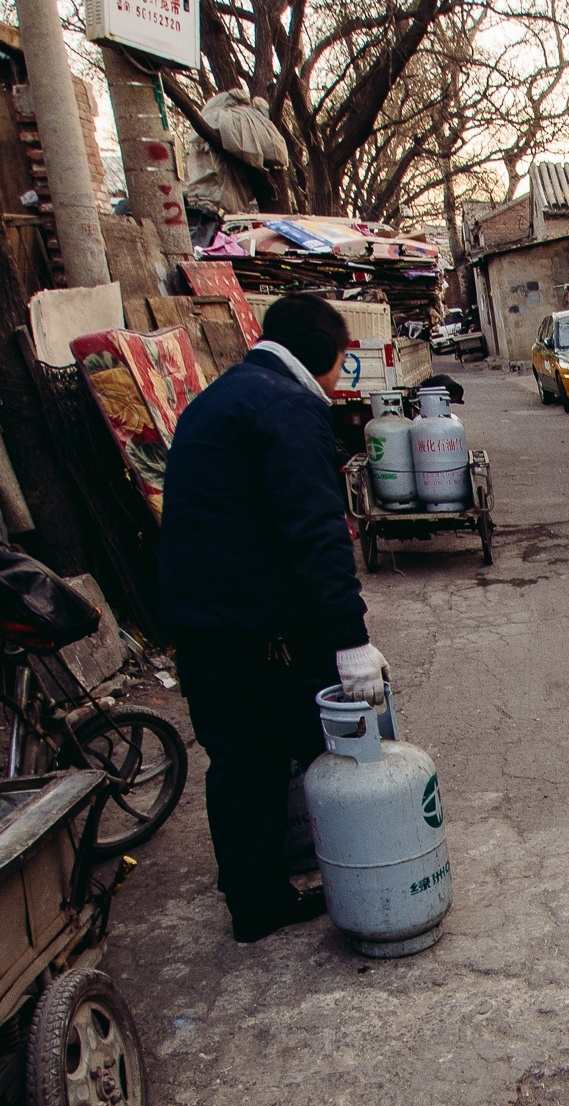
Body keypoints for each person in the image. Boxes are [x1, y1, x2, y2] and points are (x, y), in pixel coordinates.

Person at [160, 293, 391, 943]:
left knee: (240, 761)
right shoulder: (288, 408)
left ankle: (255, 900)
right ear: (319, 353)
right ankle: (367, 877)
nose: (337, 377)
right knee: (335, 750)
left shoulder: (220, 397)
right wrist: (350, 641)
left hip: (200, 620)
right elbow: (316, 533)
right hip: (263, 626)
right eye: (340, 362)